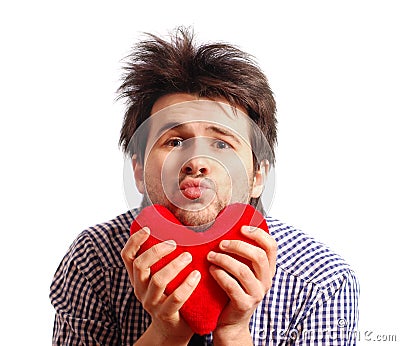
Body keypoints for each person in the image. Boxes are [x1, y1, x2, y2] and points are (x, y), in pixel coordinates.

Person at [50, 27, 359, 345]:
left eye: (222, 144)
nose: (196, 161)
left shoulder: (322, 281)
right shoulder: (95, 261)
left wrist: (234, 331)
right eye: (175, 141)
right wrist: (166, 332)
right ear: (139, 171)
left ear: (257, 176)